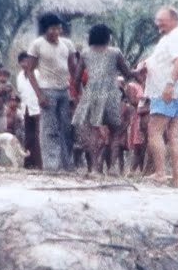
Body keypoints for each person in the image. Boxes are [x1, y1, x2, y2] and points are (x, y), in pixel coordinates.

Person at [135, 6, 178, 187]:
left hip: (169, 92)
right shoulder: (172, 37)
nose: (158, 23)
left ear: (174, 19)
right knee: (174, 134)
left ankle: (160, 173)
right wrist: (145, 63)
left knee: (155, 132)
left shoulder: (176, 37)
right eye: (157, 20)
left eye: (162, 19)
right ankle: (177, 178)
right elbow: (162, 59)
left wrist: (169, 83)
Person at [72, 24, 136, 174]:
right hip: (111, 92)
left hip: (92, 93)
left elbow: (76, 78)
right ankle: (113, 167)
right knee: (115, 131)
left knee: (94, 131)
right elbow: (126, 73)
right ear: (108, 37)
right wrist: (136, 73)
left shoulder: (85, 53)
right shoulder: (115, 52)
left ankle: (94, 168)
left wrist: (80, 96)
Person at [26, 13, 77, 172]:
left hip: (65, 90)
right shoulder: (37, 45)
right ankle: (51, 166)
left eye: (58, 28)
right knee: (49, 129)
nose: (56, 31)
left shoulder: (67, 44)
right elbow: (30, 71)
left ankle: (67, 164)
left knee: (67, 129)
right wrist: (39, 94)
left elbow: (74, 68)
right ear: (45, 29)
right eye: (53, 28)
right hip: (47, 90)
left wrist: (77, 92)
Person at [16, 51, 42, 169]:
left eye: (26, 61)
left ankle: (39, 163)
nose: (24, 64)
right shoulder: (20, 76)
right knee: (28, 136)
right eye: (22, 61)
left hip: (37, 108)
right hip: (25, 108)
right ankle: (28, 163)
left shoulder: (37, 73)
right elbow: (22, 93)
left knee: (38, 135)